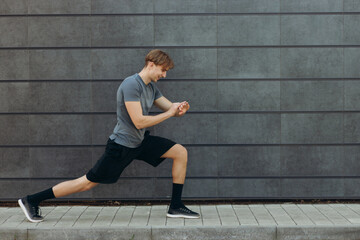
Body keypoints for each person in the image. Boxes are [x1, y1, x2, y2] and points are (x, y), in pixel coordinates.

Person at [18, 49, 200, 223]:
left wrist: (179, 109)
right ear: (151, 64)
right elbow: (139, 121)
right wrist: (170, 113)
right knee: (86, 183)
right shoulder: (131, 85)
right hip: (121, 146)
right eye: (163, 70)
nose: (164, 75)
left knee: (180, 152)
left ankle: (175, 206)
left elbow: (170, 109)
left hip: (140, 142)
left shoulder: (151, 88)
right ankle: (32, 200)